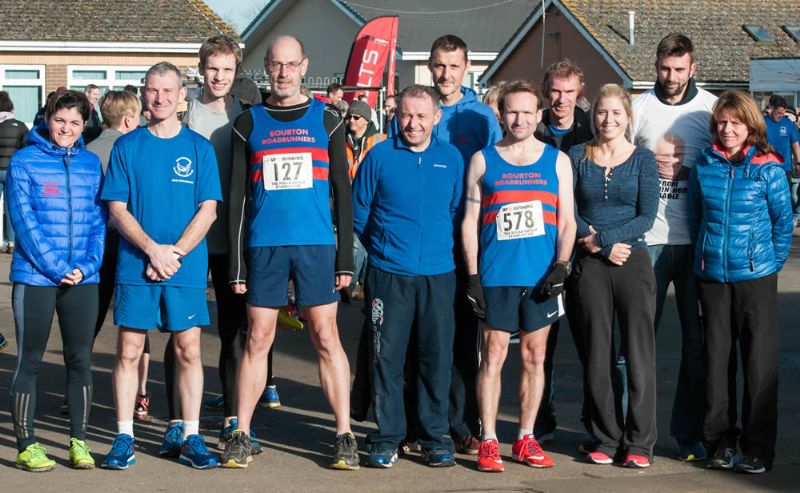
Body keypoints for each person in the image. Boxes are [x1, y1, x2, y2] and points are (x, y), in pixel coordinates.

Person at [223, 35, 357, 470]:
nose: (283, 73)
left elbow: (343, 191)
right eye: (275, 65)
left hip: (317, 244)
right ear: (266, 66)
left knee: (325, 336)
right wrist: (238, 263)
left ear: (304, 66)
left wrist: (345, 259)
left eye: (290, 64)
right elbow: (239, 197)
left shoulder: (329, 119)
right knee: (258, 337)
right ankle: (241, 432)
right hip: (265, 245)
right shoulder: (248, 123)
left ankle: (344, 434)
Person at [100, 62, 222, 470]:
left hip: (184, 266)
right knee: (129, 349)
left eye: (168, 91)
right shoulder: (127, 146)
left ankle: (190, 435)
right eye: (153, 90)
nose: (160, 98)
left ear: (182, 95)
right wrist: (153, 250)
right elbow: (117, 208)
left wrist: (174, 254)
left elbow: (208, 211)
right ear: (143, 94)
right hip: (137, 262)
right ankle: (123, 436)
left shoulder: (199, 148)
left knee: (188, 349)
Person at [461, 80, 575, 472]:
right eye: (512, 111)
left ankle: (525, 437)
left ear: (539, 115)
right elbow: (469, 222)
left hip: (540, 276)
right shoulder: (483, 159)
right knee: (493, 356)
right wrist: (473, 275)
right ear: (500, 114)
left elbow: (567, 221)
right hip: (496, 275)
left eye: (528, 112)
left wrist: (562, 264)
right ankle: (489, 439)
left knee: (535, 356)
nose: (520, 119)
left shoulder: (557, 161)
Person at [353, 84, 463, 468]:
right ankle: (387, 437)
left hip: (438, 275)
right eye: (405, 115)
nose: (412, 123)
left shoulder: (451, 159)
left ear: (437, 116)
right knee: (387, 358)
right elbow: (360, 215)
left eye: (420, 115)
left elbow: (453, 210)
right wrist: (386, 250)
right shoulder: (379, 156)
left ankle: (434, 436)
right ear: (395, 115)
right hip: (388, 276)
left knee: (435, 357)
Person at [689, 90, 792, 474]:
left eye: (735, 122)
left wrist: (767, 264)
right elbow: (697, 216)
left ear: (750, 125)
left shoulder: (769, 169)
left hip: (756, 279)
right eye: (722, 122)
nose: (727, 129)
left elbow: (783, 225)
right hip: (712, 278)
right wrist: (704, 259)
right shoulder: (705, 164)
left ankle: (758, 448)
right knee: (716, 364)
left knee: (759, 365)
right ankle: (720, 443)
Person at [179, 34, 273, 453]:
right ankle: (180, 419)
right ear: (202, 68)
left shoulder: (249, 117)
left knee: (234, 330)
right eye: (213, 68)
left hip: (233, 241)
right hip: (190, 238)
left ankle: (235, 417)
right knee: (183, 330)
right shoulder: (183, 112)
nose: (219, 76)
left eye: (227, 70)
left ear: (237, 73)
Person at [7, 90, 106, 471]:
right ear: (48, 119)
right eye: (60, 120)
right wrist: (55, 266)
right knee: (29, 361)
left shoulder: (90, 163)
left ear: (84, 126)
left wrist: (88, 266)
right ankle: (27, 444)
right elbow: (23, 221)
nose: (66, 128)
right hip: (35, 276)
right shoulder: (24, 161)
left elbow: (100, 221)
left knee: (80, 361)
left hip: (83, 278)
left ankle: (78, 442)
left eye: (75, 123)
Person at [631, 33, 717, 461]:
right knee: (636, 342)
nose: (671, 77)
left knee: (695, 344)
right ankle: (635, 435)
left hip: (696, 244)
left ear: (693, 68)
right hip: (649, 243)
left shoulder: (711, 110)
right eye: (665, 68)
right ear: (656, 66)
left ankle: (689, 434)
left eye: (680, 70)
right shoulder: (639, 109)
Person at [570, 83, 659, 468]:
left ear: (627, 117)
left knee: (638, 353)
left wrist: (604, 239)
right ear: (594, 116)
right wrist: (598, 246)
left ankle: (639, 441)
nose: (608, 120)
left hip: (633, 259)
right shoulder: (577, 156)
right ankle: (605, 437)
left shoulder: (644, 159)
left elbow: (646, 215)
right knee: (597, 352)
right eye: (602, 113)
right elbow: (567, 208)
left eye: (616, 113)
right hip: (591, 263)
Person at [426, 34, 503, 454]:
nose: (445, 73)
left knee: (465, 341)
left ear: (466, 66)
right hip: (427, 240)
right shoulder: (420, 108)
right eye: (439, 65)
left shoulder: (481, 118)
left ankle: (462, 422)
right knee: (429, 335)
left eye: (453, 66)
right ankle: (425, 421)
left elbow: (496, 176)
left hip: (469, 241)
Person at [531, 59, 594, 445]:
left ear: (580, 92)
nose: (561, 99)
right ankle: (541, 418)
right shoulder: (531, 129)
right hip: (541, 250)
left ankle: (595, 420)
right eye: (555, 90)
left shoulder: (592, 130)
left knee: (593, 343)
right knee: (542, 345)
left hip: (585, 250)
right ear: (545, 90)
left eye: (569, 92)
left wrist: (586, 233)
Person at [86, 91, 152, 419]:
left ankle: (77, 388)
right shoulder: (135, 150)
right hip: (129, 242)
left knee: (89, 320)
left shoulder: (88, 151)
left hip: (93, 246)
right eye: (138, 116)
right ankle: (140, 393)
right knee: (136, 322)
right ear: (129, 120)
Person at [344, 99, 385, 299]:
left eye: (355, 117)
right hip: (350, 204)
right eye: (349, 116)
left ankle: (366, 289)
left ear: (366, 120)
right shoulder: (341, 140)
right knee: (355, 246)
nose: (351, 120)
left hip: (374, 202)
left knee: (368, 249)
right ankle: (350, 286)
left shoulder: (380, 140)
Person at [0, 90, 28, 253]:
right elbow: (25, 150)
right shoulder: (20, 126)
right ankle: (11, 242)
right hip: (11, 171)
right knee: (11, 208)